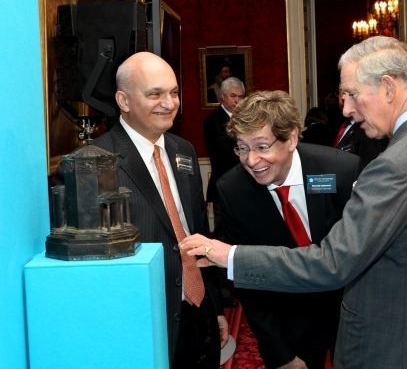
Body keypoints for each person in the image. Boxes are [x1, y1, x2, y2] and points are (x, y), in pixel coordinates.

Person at [181, 36, 407, 368]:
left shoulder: (394, 165)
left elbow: (332, 263)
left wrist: (228, 255)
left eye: (353, 94)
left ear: (388, 87)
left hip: (394, 349)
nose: (345, 109)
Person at [93, 52, 228, 368]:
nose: (169, 103)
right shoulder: (96, 162)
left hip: (198, 311)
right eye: (155, 94)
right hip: (145, 316)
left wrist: (216, 307)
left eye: (174, 92)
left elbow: (197, 234)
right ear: (123, 101)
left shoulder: (184, 151)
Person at [213, 90, 361, 368]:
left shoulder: (339, 170)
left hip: (349, 309)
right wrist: (281, 354)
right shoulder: (233, 190)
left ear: (291, 138)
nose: (251, 160)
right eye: (242, 148)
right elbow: (250, 284)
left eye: (262, 146)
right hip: (287, 318)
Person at [203, 76, 246, 231]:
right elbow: (224, 152)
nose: (238, 101)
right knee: (224, 232)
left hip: (246, 185)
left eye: (241, 96)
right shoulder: (213, 120)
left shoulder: (247, 120)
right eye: (233, 96)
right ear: (222, 96)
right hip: (224, 184)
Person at [334, 87, 388, 169]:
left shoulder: (369, 129)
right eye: (341, 92)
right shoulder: (343, 126)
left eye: (351, 94)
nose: (342, 97)